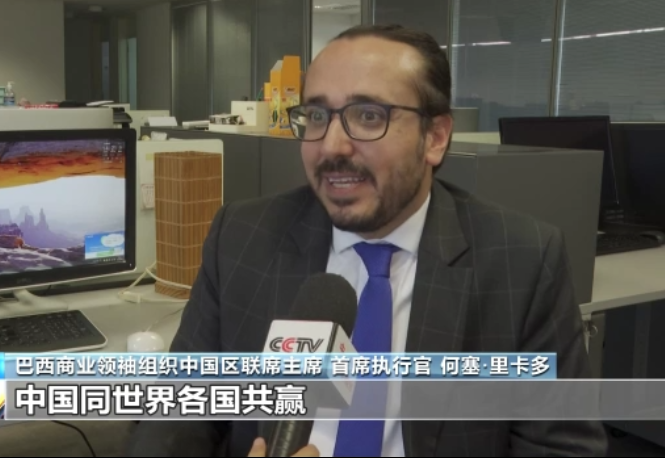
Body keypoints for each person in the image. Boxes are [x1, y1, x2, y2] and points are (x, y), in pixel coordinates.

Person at [127, 24, 607, 457]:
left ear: (435, 137)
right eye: (317, 115)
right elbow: (174, 417)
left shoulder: (522, 260)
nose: (332, 146)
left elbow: (564, 447)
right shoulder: (242, 237)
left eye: (369, 116)